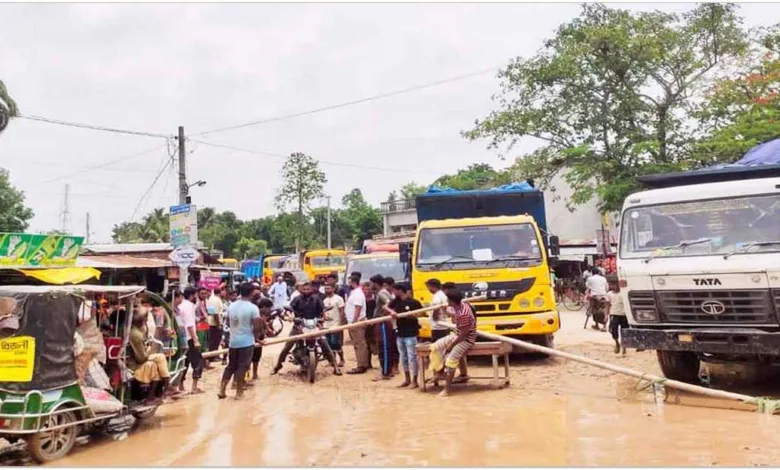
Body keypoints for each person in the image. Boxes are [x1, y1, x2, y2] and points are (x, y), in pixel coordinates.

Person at [271, 282, 341, 376]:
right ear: (301, 290)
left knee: (324, 344)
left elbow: (322, 309)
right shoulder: (297, 299)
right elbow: (290, 308)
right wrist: (289, 315)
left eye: (308, 289)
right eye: (304, 289)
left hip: (314, 325)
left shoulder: (317, 299)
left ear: (311, 289)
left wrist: (323, 316)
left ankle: (335, 366)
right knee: (287, 346)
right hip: (299, 325)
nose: (306, 291)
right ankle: (278, 366)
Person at [429, 289, 477, 397]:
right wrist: (445, 310)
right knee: (435, 346)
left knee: (451, 361)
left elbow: (464, 334)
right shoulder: (460, 305)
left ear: (452, 300)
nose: (447, 301)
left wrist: (452, 345)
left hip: (466, 339)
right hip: (457, 334)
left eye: (448, 299)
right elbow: (454, 316)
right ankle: (439, 372)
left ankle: (447, 390)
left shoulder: (463, 313)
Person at [219, 283, 261, 399]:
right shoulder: (253, 308)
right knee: (243, 366)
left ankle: (222, 390)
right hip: (247, 342)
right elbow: (257, 326)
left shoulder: (231, 306)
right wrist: (257, 338)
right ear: (252, 292)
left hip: (233, 341)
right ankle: (239, 392)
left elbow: (227, 322)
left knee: (231, 366)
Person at [127, 313, 172, 405]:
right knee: (157, 361)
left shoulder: (133, 331)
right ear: (142, 323)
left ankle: (166, 387)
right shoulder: (136, 335)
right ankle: (167, 386)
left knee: (160, 358)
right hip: (134, 365)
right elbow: (141, 358)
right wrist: (149, 349)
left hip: (134, 361)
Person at [384, 282, 422, 388]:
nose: (393, 292)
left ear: (400, 290)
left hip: (411, 333)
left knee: (412, 357)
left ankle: (415, 380)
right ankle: (407, 379)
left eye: (395, 290)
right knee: (403, 357)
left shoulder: (414, 302)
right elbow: (385, 307)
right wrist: (392, 312)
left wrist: (411, 316)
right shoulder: (396, 301)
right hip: (400, 332)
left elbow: (420, 314)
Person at [175, 288, 204, 395]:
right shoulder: (189, 306)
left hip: (181, 338)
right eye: (196, 295)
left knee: (184, 362)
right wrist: (195, 340)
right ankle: (194, 387)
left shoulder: (180, 306)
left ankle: (180, 386)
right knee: (197, 361)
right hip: (189, 338)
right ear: (192, 295)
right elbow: (189, 325)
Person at [371, 275, 398, 381]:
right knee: (386, 346)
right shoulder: (385, 291)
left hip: (382, 322)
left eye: (372, 283)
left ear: (375, 283)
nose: (371, 285)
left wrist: (385, 313)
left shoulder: (382, 292)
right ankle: (388, 370)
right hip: (383, 321)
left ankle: (386, 372)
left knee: (384, 347)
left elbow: (388, 303)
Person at [345, 274, 369, 374]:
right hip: (353, 322)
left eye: (349, 281)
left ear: (353, 282)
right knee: (358, 344)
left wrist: (354, 321)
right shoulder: (354, 292)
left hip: (357, 322)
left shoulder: (358, 293)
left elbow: (358, 307)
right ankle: (363, 364)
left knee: (359, 344)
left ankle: (361, 366)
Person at [252, 298, 276, 382]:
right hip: (254, 339)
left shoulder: (263, 315)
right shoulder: (256, 315)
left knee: (256, 357)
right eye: (269, 308)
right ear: (264, 307)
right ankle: (246, 377)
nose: (269, 310)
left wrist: (269, 330)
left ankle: (254, 374)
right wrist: (258, 340)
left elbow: (265, 324)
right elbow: (254, 330)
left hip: (259, 337)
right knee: (249, 358)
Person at [323, 282, 346, 367]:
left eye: (328, 288)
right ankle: (332, 360)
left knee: (335, 343)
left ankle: (342, 359)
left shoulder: (338, 299)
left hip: (336, 324)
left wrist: (341, 323)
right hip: (327, 324)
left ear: (333, 289)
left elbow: (342, 311)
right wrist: (324, 317)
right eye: (325, 288)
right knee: (328, 343)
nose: (326, 290)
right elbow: (323, 311)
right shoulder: (324, 300)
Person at [606, 281, 628, 355]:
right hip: (614, 314)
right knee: (612, 329)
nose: (615, 286)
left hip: (624, 314)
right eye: (613, 285)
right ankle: (617, 343)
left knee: (624, 331)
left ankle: (624, 347)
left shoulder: (623, 293)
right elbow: (607, 305)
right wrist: (606, 315)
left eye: (616, 285)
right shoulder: (609, 294)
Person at [206, 287, 226, 363]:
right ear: (221, 291)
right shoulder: (216, 300)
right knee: (214, 341)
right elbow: (215, 313)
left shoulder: (212, 298)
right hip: (214, 323)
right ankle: (212, 357)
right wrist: (218, 324)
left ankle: (213, 356)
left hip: (212, 322)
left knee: (214, 341)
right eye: (224, 291)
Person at [362, 280, 378, 369]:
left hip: (373, 323)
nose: (367, 291)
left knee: (374, 342)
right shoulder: (362, 300)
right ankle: (368, 363)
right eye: (365, 290)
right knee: (366, 343)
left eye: (368, 290)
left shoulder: (375, 299)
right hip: (365, 322)